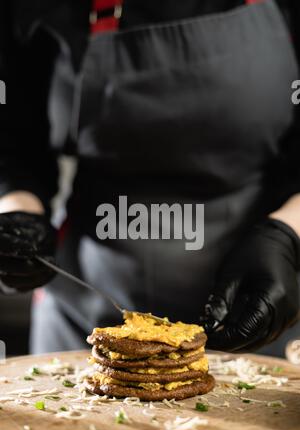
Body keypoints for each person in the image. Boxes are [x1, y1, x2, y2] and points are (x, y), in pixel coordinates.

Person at [0, 0, 300, 354]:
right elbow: (15, 140)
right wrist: (18, 213)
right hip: (84, 316)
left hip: (255, 304)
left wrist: (286, 235)